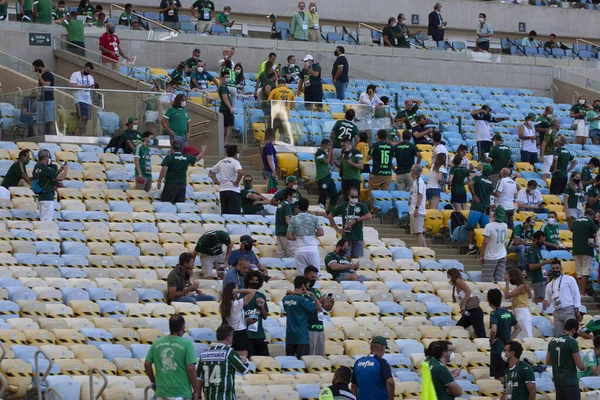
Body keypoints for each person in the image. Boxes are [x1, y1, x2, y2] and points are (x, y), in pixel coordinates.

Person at [144, 315, 197, 400]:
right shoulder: (187, 344)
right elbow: (191, 368)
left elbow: (147, 364)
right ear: (183, 327)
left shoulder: (157, 342)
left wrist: (153, 381)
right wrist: (196, 391)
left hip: (162, 392)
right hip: (182, 392)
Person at [197, 325, 250, 400]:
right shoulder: (229, 352)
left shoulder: (204, 354)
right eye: (232, 337)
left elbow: (199, 378)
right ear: (228, 338)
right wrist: (245, 360)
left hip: (209, 396)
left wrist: (198, 395)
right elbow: (245, 370)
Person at [283, 275, 322, 359]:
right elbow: (319, 308)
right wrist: (312, 295)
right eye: (307, 285)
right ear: (303, 286)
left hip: (290, 336)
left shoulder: (285, 298)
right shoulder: (303, 300)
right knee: (302, 363)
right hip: (301, 337)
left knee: (290, 362)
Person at [547, 319, 586, 400]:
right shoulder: (572, 342)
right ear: (573, 329)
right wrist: (584, 366)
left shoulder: (552, 340)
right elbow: (580, 365)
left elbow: (548, 361)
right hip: (569, 380)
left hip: (557, 380)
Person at [488, 288, 521, 384]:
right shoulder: (507, 313)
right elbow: (518, 328)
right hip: (508, 348)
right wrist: (510, 339)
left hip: (497, 349)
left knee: (499, 375)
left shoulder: (494, 314)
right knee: (507, 372)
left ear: (489, 300)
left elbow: (494, 329)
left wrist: (491, 340)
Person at [328, 187, 372, 259]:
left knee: (355, 259)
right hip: (346, 237)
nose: (354, 198)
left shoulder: (361, 205)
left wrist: (356, 220)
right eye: (352, 196)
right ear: (348, 196)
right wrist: (337, 229)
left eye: (356, 197)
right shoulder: (343, 206)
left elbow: (369, 216)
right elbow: (330, 216)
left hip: (358, 236)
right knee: (345, 257)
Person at [543, 260, 582, 336]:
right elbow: (547, 299)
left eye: (557, 268)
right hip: (557, 312)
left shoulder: (569, 279)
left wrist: (577, 309)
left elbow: (576, 293)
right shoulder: (549, 285)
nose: (555, 270)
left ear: (561, 269)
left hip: (568, 310)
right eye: (553, 268)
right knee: (559, 336)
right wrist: (545, 302)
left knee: (571, 334)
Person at [303, 265, 334, 357]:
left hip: (320, 327)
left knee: (319, 357)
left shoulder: (316, 291)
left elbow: (325, 307)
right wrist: (319, 301)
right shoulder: (302, 291)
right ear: (305, 276)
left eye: (315, 277)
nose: (314, 279)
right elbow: (306, 306)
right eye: (312, 277)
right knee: (310, 356)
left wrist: (329, 305)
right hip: (309, 327)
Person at [219, 282, 256, 359]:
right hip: (240, 333)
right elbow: (253, 292)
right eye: (236, 288)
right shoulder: (236, 304)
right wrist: (239, 291)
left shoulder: (222, 304)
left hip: (229, 332)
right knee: (241, 358)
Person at [287, 198, 324, 275]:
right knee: (315, 274)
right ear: (308, 207)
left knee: (302, 275)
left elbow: (289, 236)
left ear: (298, 206)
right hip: (312, 249)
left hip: (300, 250)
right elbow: (321, 233)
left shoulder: (293, 219)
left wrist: (297, 237)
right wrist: (313, 234)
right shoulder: (314, 218)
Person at [448, 268, 486, 338]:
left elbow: (468, 291)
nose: (448, 279)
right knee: (459, 327)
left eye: (449, 277)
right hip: (468, 312)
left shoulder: (459, 282)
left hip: (474, 310)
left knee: (480, 334)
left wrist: (464, 305)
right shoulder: (456, 284)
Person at [33, 150, 68, 222]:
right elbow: (61, 178)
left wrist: (59, 171)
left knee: (43, 218)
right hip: (47, 197)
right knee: (46, 221)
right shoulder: (46, 169)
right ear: (46, 158)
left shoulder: (36, 168)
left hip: (41, 196)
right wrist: (66, 169)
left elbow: (49, 178)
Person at [467, 164, 494, 254]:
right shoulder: (491, 182)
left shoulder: (478, 178)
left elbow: (470, 184)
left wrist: (474, 195)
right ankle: (483, 248)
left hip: (476, 206)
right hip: (486, 207)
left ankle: (471, 247)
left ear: (482, 170)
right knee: (485, 230)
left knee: (471, 227)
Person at [209, 145, 243, 215]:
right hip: (233, 190)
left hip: (223, 190)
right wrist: (237, 182)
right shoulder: (235, 162)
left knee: (225, 213)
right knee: (234, 214)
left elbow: (211, 171)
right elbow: (240, 172)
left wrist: (217, 182)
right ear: (235, 153)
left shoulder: (221, 161)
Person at [243, 270, 269, 357]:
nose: (254, 282)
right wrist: (245, 319)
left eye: (256, 280)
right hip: (246, 335)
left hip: (259, 334)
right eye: (252, 280)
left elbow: (265, 316)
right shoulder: (242, 295)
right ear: (248, 281)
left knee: (263, 360)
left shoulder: (261, 296)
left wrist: (261, 306)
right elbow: (235, 315)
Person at [572, 208, 597, 297]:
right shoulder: (590, 222)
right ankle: (582, 293)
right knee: (585, 272)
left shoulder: (575, 221)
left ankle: (579, 293)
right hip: (587, 250)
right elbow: (594, 236)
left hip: (575, 249)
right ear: (592, 216)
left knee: (579, 272)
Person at [480, 206, 508, 283]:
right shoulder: (505, 226)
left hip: (490, 257)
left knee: (486, 282)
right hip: (502, 255)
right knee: (500, 281)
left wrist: (481, 255)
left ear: (494, 215)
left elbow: (485, 242)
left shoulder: (489, 226)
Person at [504, 269, 532, 340]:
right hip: (520, 312)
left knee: (524, 337)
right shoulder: (522, 286)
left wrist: (507, 283)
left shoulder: (522, 286)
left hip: (522, 313)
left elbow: (507, 296)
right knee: (520, 337)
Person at [69, 62, 95, 136]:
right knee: (83, 117)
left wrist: (92, 86)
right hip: (79, 98)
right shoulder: (75, 75)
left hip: (88, 99)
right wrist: (83, 86)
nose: (88, 73)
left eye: (90, 72)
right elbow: (71, 86)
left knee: (86, 118)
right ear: (84, 67)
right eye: (87, 71)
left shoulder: (90, 77)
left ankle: (79, 132)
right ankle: (82, 135)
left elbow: (92, 88)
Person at [525, 230, 552, 303]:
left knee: (543, 299)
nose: (542, 242)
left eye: (543, 240)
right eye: (541, 240)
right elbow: (532, 266)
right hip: (537, 279)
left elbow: (541, 264)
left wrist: (546, 276)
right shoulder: (531, 250)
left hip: (542, 278)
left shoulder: (538, 250)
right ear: (536, 239)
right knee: (538, 299)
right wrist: (545, 262)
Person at [368, 130, 393, 203]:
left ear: (377, 136)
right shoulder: (390, 146)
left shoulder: (374, 145)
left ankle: (373, 209)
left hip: (376, 172)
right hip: (387, 173)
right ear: (386, 137)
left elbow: (368, 158)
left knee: (372, 192)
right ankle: (383, 210)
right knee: (385, 193)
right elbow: (391, 158)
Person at [32, 59, 55, 136]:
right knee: (40, 121)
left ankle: (53, 137)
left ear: (40, 67)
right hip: (41, 100)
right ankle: (41, 137)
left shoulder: (49, 75)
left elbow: (46, 85)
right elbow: (40, 88)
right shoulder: (41, 76)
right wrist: (36, 99)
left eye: (36, 69)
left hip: (48, 100)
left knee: (50, 120)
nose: (36, 71)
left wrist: (39, 77)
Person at [315, 139, 337, 212]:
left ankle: (329, 211)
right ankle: (320, 212)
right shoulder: (318, 153)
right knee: (323, 196)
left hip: (328, 176)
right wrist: (330, 152)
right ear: (325, 145)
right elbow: (326, 161)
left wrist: (331, 153)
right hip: (322, 177)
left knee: (335, 194)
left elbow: (331, 163)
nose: (330, 147)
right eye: (329, 145)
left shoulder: (324, 153)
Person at [275, 187, 296, 258]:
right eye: (293, 196)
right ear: (288, 196)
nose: (294, 198)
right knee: (292, 254)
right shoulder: (287, 205)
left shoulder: (280, 204)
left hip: (279, 232)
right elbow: (288, 221)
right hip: (285, 233)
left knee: (280, 256)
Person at [409, 164, 427, 247]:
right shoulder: (416, 182)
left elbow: (420, 195)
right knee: (418, 232)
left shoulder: (419, 182)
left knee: (419, 232)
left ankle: (421, 250)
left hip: (417, 210)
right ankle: (424, 249)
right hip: (415, 209)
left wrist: (416, 208)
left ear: (413, 171)